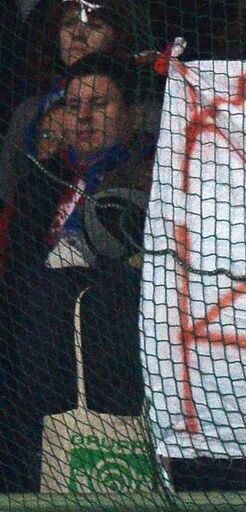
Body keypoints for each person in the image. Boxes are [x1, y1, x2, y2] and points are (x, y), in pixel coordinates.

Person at [0, 53, 152, 493]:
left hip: (113, 348)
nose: (83, 117)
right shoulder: (45, 175)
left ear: (131, 114)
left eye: (99, 105)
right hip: (35, 349)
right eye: (73, 105)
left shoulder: (153, 172)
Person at [0, 0, 130, 212]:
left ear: (117, 37)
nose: (78, 34)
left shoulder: (139, 108)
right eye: (69, 23)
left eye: (94, 25)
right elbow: (5, 189)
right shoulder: (30, 110)